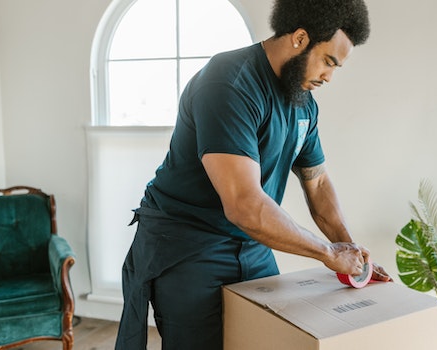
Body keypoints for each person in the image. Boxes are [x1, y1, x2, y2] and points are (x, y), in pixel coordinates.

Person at [115, 0, 391, 349]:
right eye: (328, 61)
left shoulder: (302, 101)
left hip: (251, 243)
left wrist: (351, 252)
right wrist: (327, 252)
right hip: (189, 244)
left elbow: (317, 181)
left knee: (265, 338)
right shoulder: (228, 83)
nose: (328, 76)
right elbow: (244, 204)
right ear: (300, 38)